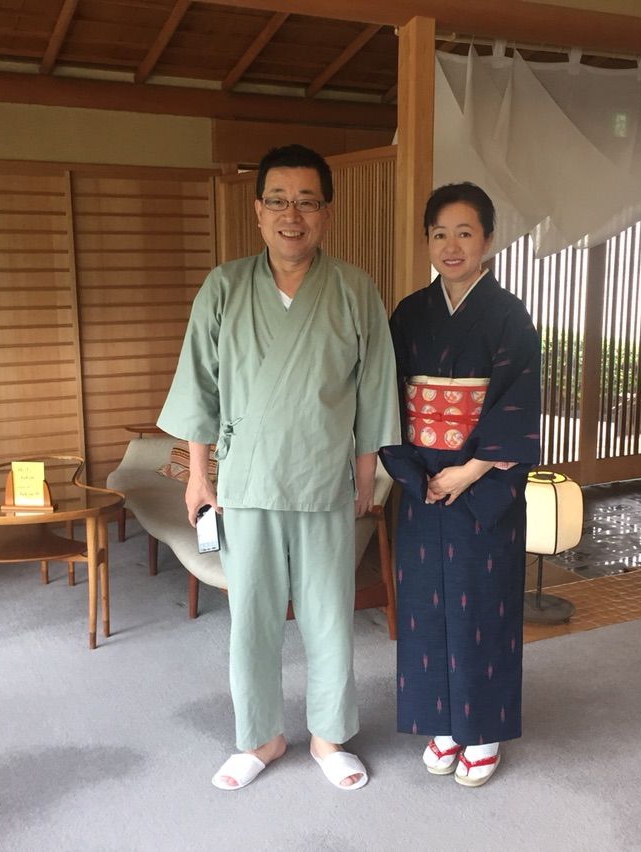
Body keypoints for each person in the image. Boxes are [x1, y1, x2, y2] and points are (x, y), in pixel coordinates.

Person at [158, 144, 399, 792]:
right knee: (253, 620)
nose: (293, 215)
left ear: (327, 212)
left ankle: (329, 736)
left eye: (307, 202)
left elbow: (374, 387)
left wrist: (366, 473)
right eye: (279, 201)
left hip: (324, 480)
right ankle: (259, 738)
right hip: (246, 483)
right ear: (258, 210)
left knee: (329, 616)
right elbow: (200, 389)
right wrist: (199, 476)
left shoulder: (353, 289)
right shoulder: (224, 287)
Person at [379, 182, 542, 787]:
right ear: (427, 240)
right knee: (426, 605)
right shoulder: (409, 313)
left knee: (482, 603)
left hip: (482, 481)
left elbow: (519, 399)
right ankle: (443, 723)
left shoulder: (508, 315)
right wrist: (415, 472)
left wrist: (470, 470)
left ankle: (484, 731)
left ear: (488, 240)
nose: (451, 246)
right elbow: (385, 394)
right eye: (440, 234)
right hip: (424, 479)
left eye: (465, 233)